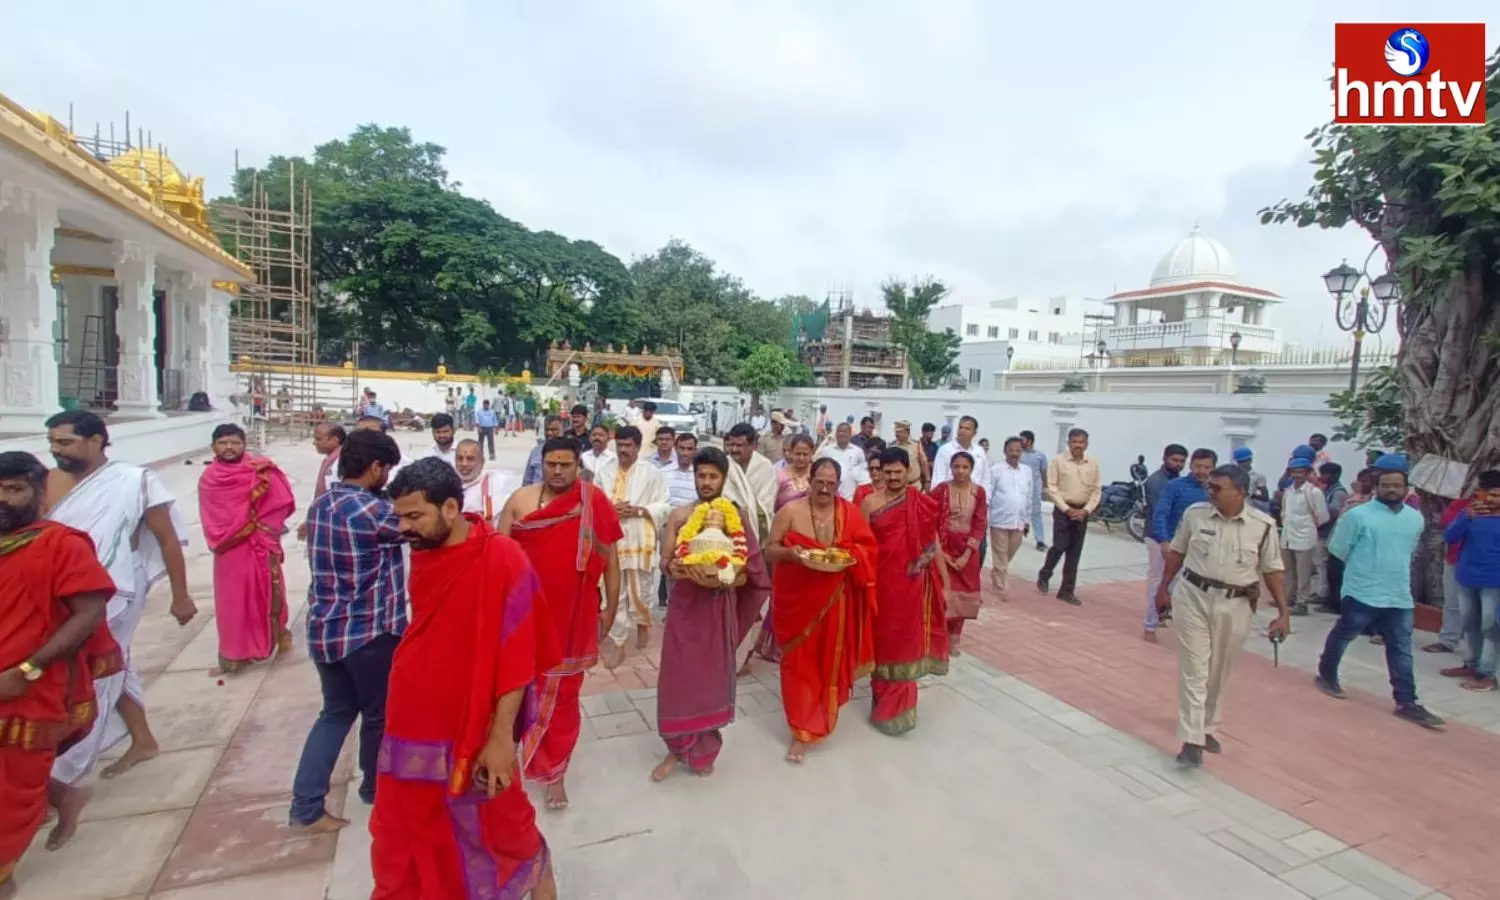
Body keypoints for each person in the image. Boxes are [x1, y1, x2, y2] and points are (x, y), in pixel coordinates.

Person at [373, 459, 559, 900]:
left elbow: (519, 656)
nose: (404, 527)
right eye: (399, 516)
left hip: (475, 727)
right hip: (412, 725)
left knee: (509, 829)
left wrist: (499, 740)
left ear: (452, 508)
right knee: (415, 834)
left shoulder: (500, 555)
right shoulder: (424, 552)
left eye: (415, 516)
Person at [43, 410, 193, 799]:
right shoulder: (49, 482)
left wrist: (181, 595)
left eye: (65, 442)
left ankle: (64, 773)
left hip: (116, 591)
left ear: (96, 441)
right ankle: (142, 740)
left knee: (97, 670)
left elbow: (168, 539)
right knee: (115, 662)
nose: (57, 450)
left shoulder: (135, 481)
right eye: (53, 442)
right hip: (62, 592)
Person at [0, 451, 120, 879]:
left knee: (16, 775)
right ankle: (65, 797)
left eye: (14, 490)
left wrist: (27, 670)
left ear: (39, 494)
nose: (3, 499)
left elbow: (88, 615)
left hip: (33, 681)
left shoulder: (61, 544)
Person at [292, 429, 408, 832]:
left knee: (335, 715)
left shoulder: (321, 505)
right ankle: (376, 789)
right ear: (375, 467)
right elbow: (427, 529)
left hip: (325, 630)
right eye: (387, 470)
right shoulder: (375, 514)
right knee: (379, 716)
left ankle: (306, 806)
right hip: (370, 633)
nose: (388, 478)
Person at [501, 437, 622, 810]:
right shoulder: (521, 500)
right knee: (515, 693)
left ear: (576, 465)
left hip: (573, 619)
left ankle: (555, 771)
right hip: (524, 618)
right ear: (542, 463)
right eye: (551, 464)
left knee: (563, 701)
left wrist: (611, 613)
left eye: (565, 465)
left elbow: (612, 562)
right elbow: (497, 558)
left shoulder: (594, 501)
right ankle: (508, 761)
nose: (557, 471)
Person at [1155, 464, 1289, 767]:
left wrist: (1283, 612)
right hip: (1193, 596)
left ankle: (1208, 727)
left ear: (1240, 492)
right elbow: (1176, 552)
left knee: (1219, 669)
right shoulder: (1195, 514)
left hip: (1236, 603)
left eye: (1218, 488)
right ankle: (1192, 739)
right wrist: (1163, 588)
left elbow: (1273, 570)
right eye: (1209, 486)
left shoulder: (1263, 525)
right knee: (1195, 669)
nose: (1210, 492)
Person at [652, 448, 770, 780]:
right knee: (678, 681)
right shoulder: (679, 516)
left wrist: (725, 577)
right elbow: (665, 563)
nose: (706, 482)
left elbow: (751, 572)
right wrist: (677, 567)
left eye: (712, 476)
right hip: (684, 611)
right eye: (701, 475)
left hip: (718, 609)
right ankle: (676, 750)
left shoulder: (736, 517)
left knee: (709, 682)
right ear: (694, 477)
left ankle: (703, 752)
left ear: (723, 479)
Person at [1315, 455, 1445, 730]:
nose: (1391, 490)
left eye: (1397, 485)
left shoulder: (1414, 519)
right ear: (1377, 487)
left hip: (1398, 594)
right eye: (1386, 485)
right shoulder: (1357, 516)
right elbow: (1338, 549)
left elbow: (1408, 551)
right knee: (1345, 634)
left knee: (1400, 648)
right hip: (1362, 590)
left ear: (1406, 488)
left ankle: (1407, 701)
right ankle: (1327, 674)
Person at [764, 456, 877, 762]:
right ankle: (800, 731)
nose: (825, 489)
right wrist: (792, 553)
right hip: (798, 605)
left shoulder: (850, 514)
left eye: (831, 484)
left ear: (838, 485)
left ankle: (821, 718)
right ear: (809, 482)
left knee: (827, 664)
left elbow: (868, 549)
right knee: (799, 667)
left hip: (836, 603)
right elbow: (770, 550)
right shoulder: (790, 511)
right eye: (820, 482)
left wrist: (850, 553)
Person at [861, 447, 948, 735]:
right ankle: (880, 698)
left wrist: (943, 583)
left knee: (904, 643)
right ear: (879, 472)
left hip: (910, 587)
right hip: (880, 587)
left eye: (899, 471)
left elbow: (931, 543)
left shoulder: (920, 503)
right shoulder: (869, 503)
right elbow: (861, 546)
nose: (894, 477)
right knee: (881, 642)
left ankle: (899, 709)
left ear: (908, 471)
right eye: (888, 472)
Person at [198, 423, 297, 676]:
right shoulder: (210, 478)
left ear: (244, 444)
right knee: (233, 601)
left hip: (259, 544)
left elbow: (282, 501)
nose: (229, 448)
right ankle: (235, 655)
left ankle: (280, 635)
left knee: (266, 593)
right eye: (223, 443)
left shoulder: (261, 470)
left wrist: (263, 529)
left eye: (234, 443)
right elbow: (213, 515)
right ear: (213, 447)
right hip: (229, 548)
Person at [594, 427, 670, 655]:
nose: (623, 450)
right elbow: (594, 500)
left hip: (639, 538)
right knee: (612, 589)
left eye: (628, 445)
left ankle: (642, 625)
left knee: (640, 587)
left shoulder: (652, 473)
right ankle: (616, 637)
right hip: (611, 539)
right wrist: (610, 509)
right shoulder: (605, 470)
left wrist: (640, 510)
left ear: (638, 447)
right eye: (620, 445)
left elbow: (665, 505)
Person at [1440, 470, 1500, 692]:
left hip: (1495, 581)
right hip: (1467, 577)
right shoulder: (1471, 513)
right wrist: (1466, 516)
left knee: (1490, 626)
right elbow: (1450, 537)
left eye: (1497, 494)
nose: (1492, 499)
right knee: (1469, 623)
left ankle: (1487, 674)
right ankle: (1471, 664)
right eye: (1488, 494)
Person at [1037, 428, 1101, 606]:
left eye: (1081, 442)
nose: (1078, 446)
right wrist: (1067, 509)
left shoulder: (1092, 463)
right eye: (1074, 442)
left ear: (1086, 444)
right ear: (1069, 443)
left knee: (1074, 552)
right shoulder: (1059, 461)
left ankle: (1066, 590)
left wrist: (1086, 510)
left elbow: (1096, 490)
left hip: (1082, 512)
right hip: (1063, 510)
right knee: (1059, 546)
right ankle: (1045, 572)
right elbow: (1052, 487)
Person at [934, 451, 987, 654]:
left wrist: (966, 554)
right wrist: (943, 554)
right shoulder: (942, 490)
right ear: (951, 468)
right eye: (956, 467)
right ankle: (940, 636)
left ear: (972, 469)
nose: (960, 471)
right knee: (943, 592)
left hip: (968, 550)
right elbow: (930, 516)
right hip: (944, 546)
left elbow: (980, 523)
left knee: (964, 596)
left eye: (965, 467)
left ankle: (954, 638)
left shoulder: (979, 492)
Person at [1142, 444, 1188, 641]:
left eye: (1181, 461)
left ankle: (1164, 610)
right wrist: (1164, 539)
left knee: (1175, 579)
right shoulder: (1155, 481)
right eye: (1174, 460)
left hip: (1178, 537)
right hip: (1158, 536)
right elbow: (1160, 512)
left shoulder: (1181, 482)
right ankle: (1150, 622)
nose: (1178, 464)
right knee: (1157, 579)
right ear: (1164, 459)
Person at [1277, 455, 1330, 616]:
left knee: (1303, 573)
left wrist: (1308, 528)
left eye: (1300, 472)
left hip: (1305, 537)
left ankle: (1302, 602)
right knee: (1288, 571)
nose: (1297, 475)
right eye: (1294, 472)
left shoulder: (1314, 492)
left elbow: (1323, 517)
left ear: (1307, 473)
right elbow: (1285, 513)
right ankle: (1288, 598)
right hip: (1287, 536)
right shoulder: (1288, 491)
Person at [723, 423, 777, 538]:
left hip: (756, 528)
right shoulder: (724, 464)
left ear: (753, 446)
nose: (734, 449)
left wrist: (746, 512)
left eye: (739, 445)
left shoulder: (765, 466)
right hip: (727, 526)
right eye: (731, 445)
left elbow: (766, 503)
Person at [455, 438, 515, 524]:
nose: (464, 464)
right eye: (460, 458)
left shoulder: (493, 484)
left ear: (482, 462)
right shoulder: (449, 483)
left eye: (470, 459)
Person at [1317, 462, 1350, 611]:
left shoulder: (1339, 492)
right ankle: (1323, 595)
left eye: (1325, 474)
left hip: (1330, 533)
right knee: (1322, 566)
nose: (1322, 477)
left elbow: (1333, 513)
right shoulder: (1327, 490)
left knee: (1329, 569)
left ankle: (1328, 598)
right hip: (1324, 532)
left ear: (1335, 475)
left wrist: (1318, 520)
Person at [931, 415, 991, 489]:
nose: (962, 430)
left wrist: (986, 499)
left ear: (974, 433)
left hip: (975, 497)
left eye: (967, 429)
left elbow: (986, 479)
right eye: (960, 427)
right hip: (950, 497)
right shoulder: (945, 450)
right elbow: (938, 479)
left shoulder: (980, 451)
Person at [816, 422, 869, 501]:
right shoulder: (826, 451)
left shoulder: (858, 452)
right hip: (829, 496)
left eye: (844, 431)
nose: (841, 434)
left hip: (851, 497)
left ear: (850, 434)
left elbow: (862, 474)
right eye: (839, 431)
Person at [1018, 430, 1049, 551]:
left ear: (1029, 441)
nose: (1020, 442)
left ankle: (1040, 541)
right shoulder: (1018, 454)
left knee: (1036, 515)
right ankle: (1018, 534)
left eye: (1022, 440)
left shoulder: (1040, 455)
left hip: (1034, 491)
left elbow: (1043, 472)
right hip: (1020, 490)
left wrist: (1045, 488)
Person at [523, 416, 566, 486]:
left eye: (554, 429)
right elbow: (527, 482)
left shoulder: (570, 452)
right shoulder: (536, 451)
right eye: (547, 429)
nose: (549, 433)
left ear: (563, 430)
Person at [892, 420, 931, 492]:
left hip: (915, 485)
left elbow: (924, 463)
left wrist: (927, 480)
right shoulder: (892, 446)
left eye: (899, 432)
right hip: (898, 487)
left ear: (907, 432)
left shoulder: (916, 445)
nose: (897, 434)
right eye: (896, 432)